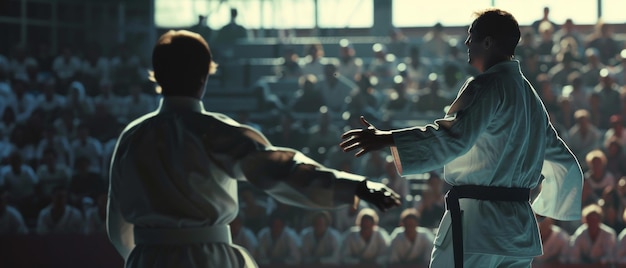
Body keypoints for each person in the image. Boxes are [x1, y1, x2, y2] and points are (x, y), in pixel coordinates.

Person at [106, 30, 401, 268]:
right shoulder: (215, 132)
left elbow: (118, 227)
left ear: (156, 76)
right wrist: (355, 186)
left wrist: (146, 255)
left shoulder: (132, 138)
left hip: (147, 258)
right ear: (204, 77)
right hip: (209, 259)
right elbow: (284, 171)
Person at [340, 9, 583, 268]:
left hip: (478, 228)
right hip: (519, 231)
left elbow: (455, 138)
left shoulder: (486, 86)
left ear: (487, 42)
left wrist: (388, 139)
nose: (467, 43)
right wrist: (543, 206)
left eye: (472, 36)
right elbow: (563, 160)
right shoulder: (532, 98)